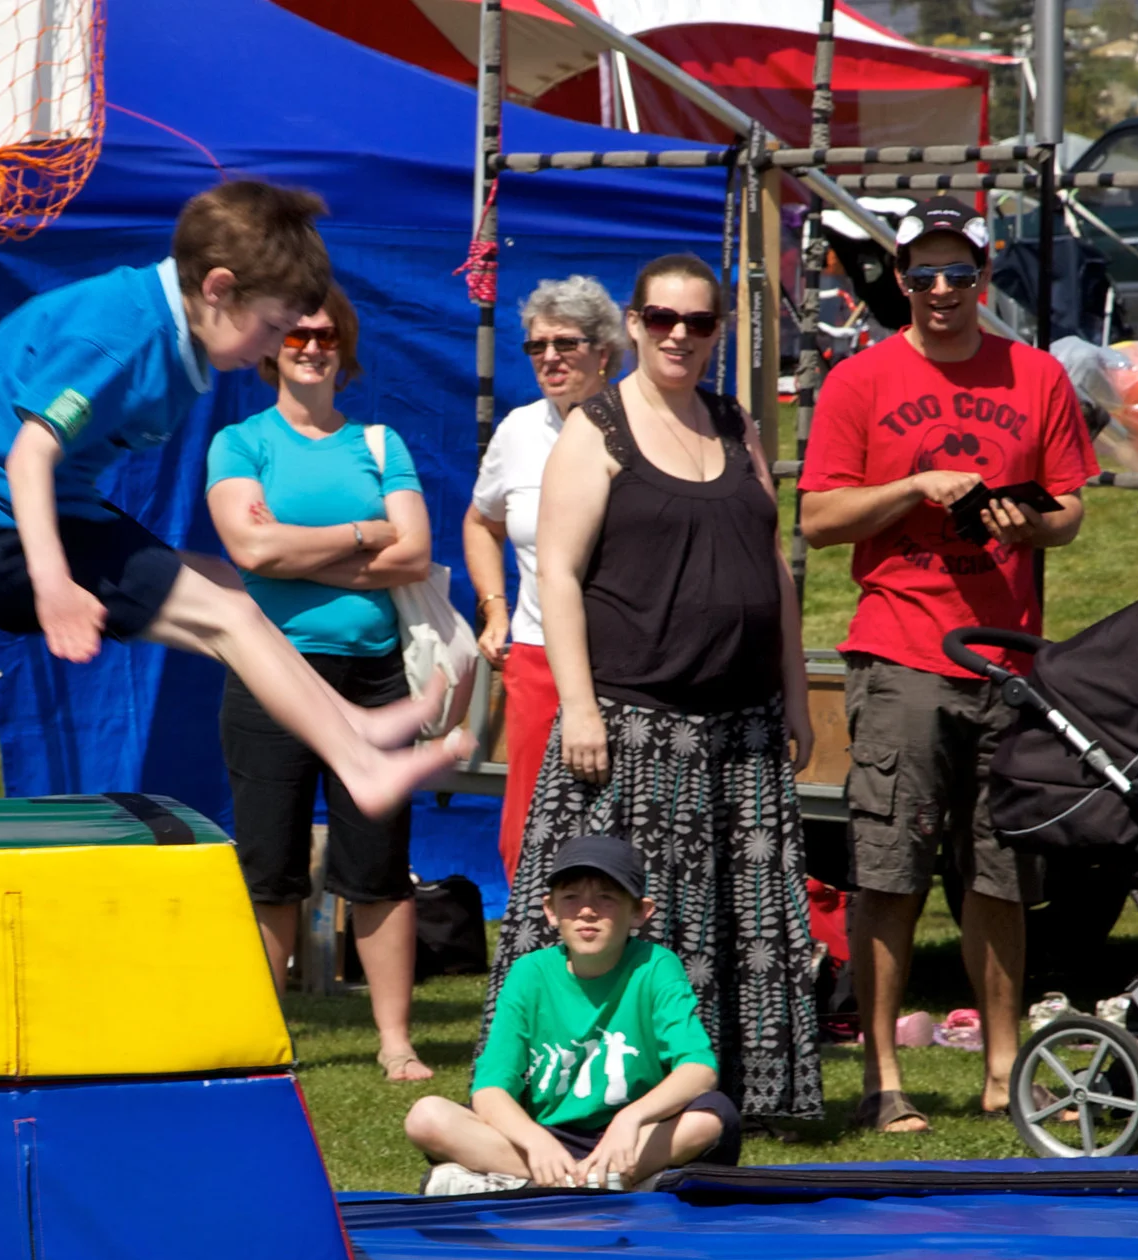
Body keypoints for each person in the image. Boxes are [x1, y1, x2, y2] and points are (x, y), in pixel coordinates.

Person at [0, 180, 462, 818]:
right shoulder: (124, 334)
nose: (271, 349)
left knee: (227, 587)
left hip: (42, 513)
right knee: (230, 616)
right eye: (273, 328)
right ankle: (361, 768)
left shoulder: (174, 333)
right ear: (218, 288)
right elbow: (29, 455)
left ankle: (350, 723)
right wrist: (53, 586)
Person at [487, 253, 821, 1125]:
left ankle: (743, 1091)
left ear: (717, 333)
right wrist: (580, 707)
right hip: (633, 723)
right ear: (633, 325)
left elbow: (772, 566)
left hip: (743, 725)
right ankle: (585, 1095)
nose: (679, 335)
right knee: (619, 912)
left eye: (698, 322)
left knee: (738, 916)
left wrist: (793, 690)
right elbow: (558, 574)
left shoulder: (735, 423)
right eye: (663, 319)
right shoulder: (595, 429)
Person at [798, 197, 1096, 1134]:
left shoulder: (1036, 374)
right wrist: (914, 487)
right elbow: (817, 517)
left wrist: (1029, 520)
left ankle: (1005, 1071)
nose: (940, 290)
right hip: (901, 654)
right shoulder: (860, 379)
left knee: (1001, 874)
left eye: (958, 273)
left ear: (982, 277)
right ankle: (882, 1077)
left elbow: (1070, 510)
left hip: (1008, 663)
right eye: (922, 273)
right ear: (899, 280)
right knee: (890, 870)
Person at [204, 280, 440, 1079]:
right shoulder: (240, 443)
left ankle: (396, 1041)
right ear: (271, 348)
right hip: (271, 675)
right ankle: (264, 1043)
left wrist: (298, 550)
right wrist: (366, 533)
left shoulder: (380, 442)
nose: (310, 348)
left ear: (345, 350)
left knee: (378, 868)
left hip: (375, 677)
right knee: (269, 868)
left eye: (326, 336)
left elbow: (415, 552)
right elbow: (251, 550)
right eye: (296, 336)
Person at [408, 836, 738, 1194]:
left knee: (710, 1118)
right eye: (571, 897)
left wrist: (630, 1119)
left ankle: (527, 1185)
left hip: (634, 1138)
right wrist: (534, 1140)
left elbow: (699, 1069)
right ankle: (607, 1183)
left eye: (606, 897)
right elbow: (490, 1089)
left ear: (640, 912)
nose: (587, 911)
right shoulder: (530, 972)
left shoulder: (656, 965)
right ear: (550, 910)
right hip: (547, 1138)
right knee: (427, 1117)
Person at [465, 275, 627, 876]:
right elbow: (481, 522)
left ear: (603, 351)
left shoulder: (640, 426)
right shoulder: (518, 431)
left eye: (566, 343)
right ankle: (532, 936)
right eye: (537, 346)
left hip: (629, 662)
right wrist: (495, 607)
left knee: (625, 824)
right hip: (538, 659)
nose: (550, 357)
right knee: (532, 827)